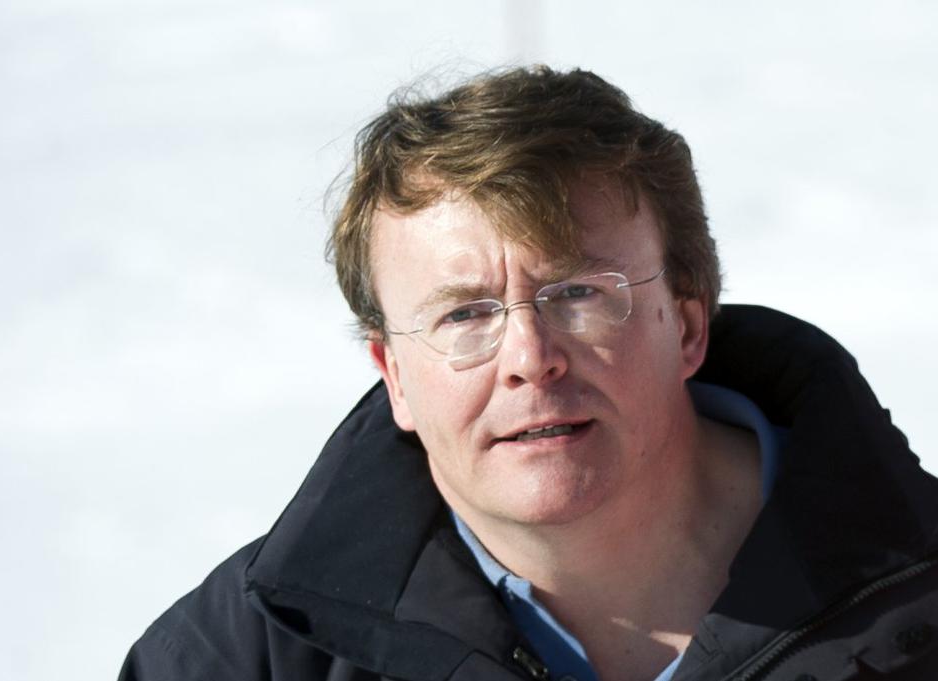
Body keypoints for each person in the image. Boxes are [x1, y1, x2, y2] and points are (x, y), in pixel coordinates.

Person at [119, 66, 938, 681]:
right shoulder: (247, 656)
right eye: (463, 314)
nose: (528, 358)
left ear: (687, 323)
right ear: (393, 373)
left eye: (577, 293)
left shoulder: (919, 590)